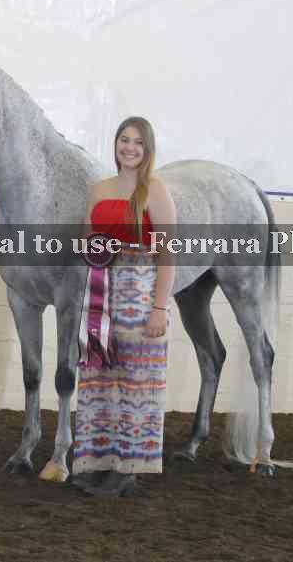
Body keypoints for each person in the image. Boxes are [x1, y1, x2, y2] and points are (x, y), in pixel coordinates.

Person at [70, 116, 177, 497]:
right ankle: (96, 462)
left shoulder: (155, 191)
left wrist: (159, 308)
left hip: (140, 291)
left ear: (147, 150)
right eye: (123, 140)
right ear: (115, 144)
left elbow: (168, 254)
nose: (129, 148)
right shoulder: (99, 189)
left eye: (137, 142)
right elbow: (88, 241)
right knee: (98, 376)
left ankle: (127, 468)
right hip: (102, 292)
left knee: (136, 381)